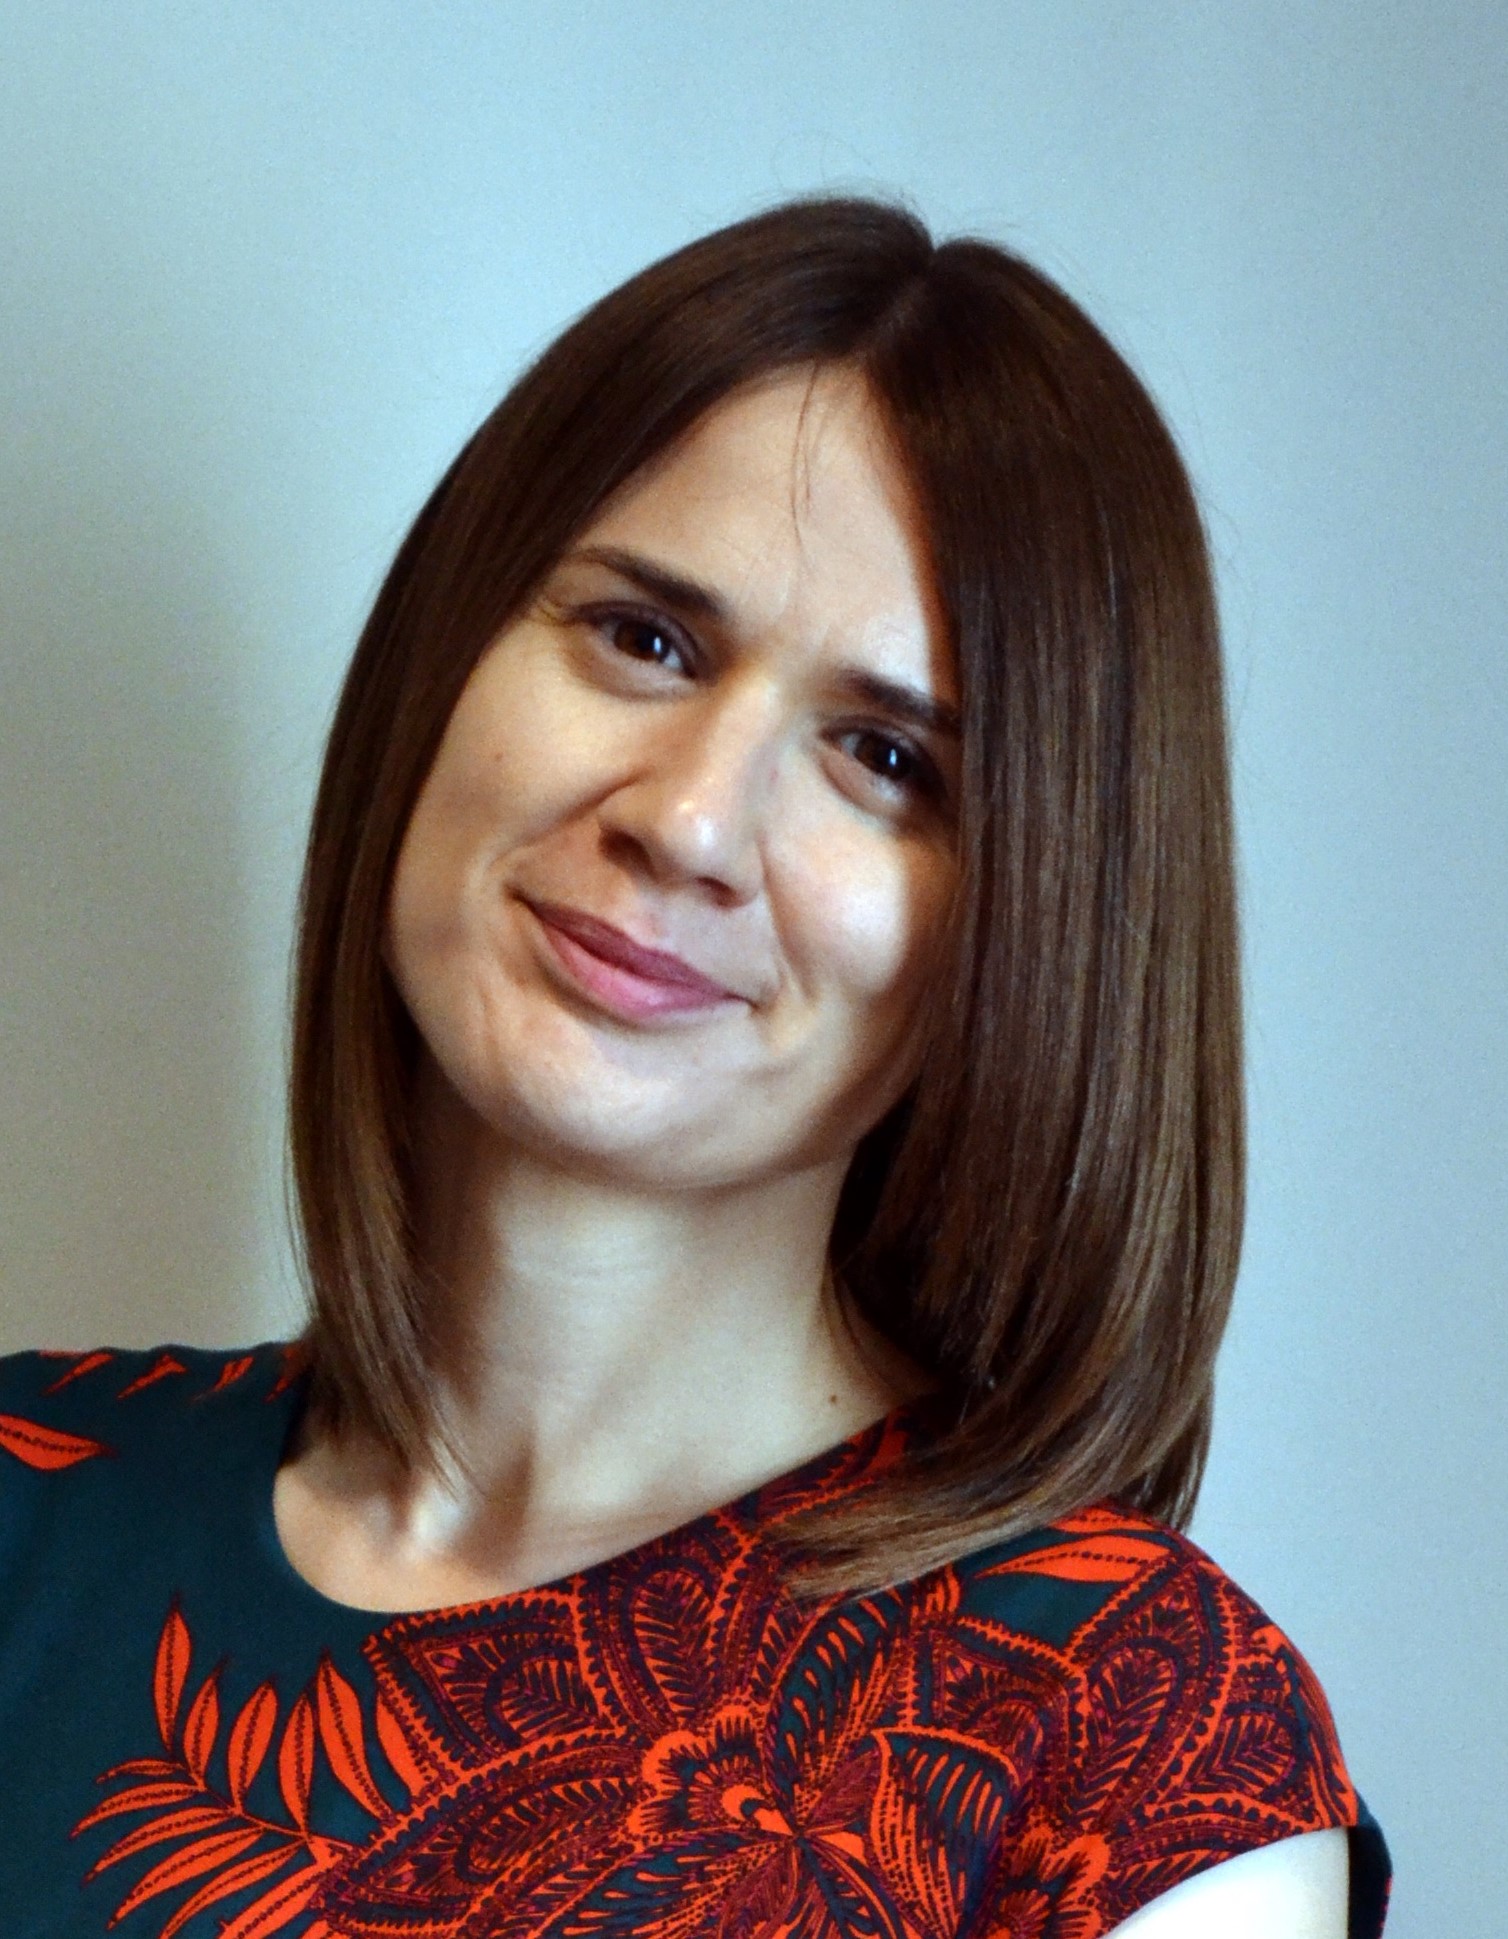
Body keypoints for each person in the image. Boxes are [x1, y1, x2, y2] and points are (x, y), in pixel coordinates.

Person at [0, 194, 1390, 1937]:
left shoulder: (1130, 1740)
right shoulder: (25, 1498)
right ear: (448, 652)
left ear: (1035, 925)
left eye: (886, 757)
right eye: (644, 640)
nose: (691, 821)